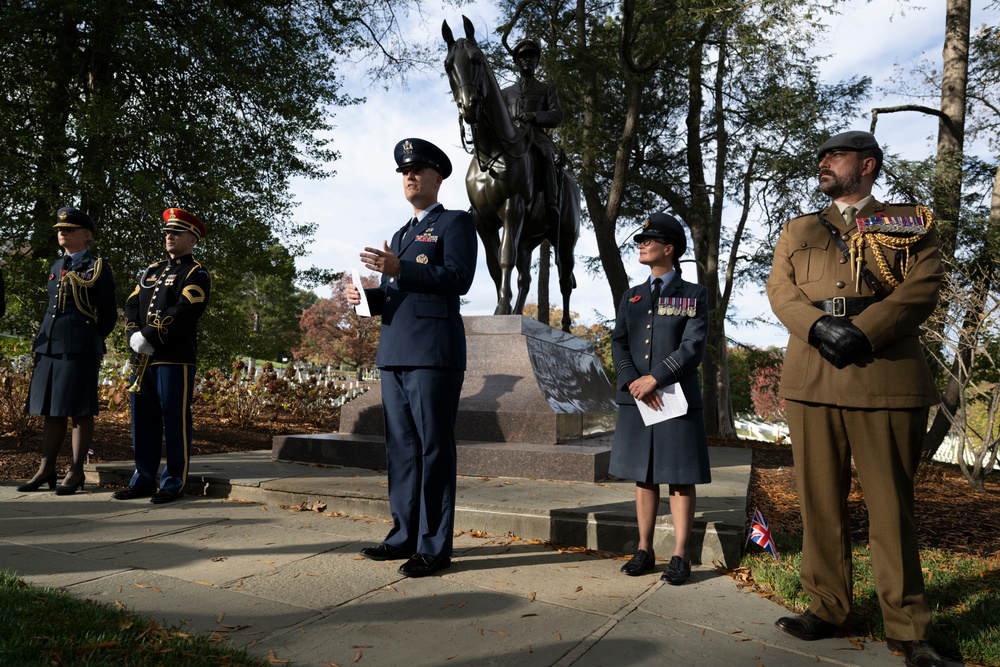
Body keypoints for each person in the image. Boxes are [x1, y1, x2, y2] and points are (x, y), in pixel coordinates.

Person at [766, 131, 945, 667]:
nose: (823, 161)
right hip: (812, 374)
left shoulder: (908, 222)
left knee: (891, 508)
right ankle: (827, 607)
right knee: (819, 499)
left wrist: (863, 332)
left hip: (884, 375)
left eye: (835, 155)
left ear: (867, 165)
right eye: (820, 155)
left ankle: (909, 627)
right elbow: (780, 290)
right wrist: (820, 326)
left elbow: (923, 288)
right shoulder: (798, 229)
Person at [346, 138, 477, 577]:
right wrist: (366, 296)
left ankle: (434, 546)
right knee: (401, 448)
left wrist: (400, 269)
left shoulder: (456, 223)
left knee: (434, 447)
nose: (409, 176)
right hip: (395, 352)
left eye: (418, 169)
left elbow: (458, 278)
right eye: (405, 171)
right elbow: (396, 294)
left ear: (438, 177)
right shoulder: (402, 234)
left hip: (433, 354)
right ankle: (404, 535)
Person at [610, 212, 711, 585]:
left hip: (676, 398)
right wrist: (633, 380)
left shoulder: (693, 294)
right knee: (644, 475)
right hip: (639, 398)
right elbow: (619, 341)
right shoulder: (631, 295)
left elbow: (693, 346)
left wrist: (657, 377)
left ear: (669, 249)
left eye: (649, 240)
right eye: (640, 240)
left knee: (681, 478)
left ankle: (681, 554)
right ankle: (644, 548)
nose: (642, 244)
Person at [113, 208, 211, 505]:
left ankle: (173, 482)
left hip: (174, 358)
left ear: (192, 239)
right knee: (142, 420)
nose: (170, 236)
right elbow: (131, 304)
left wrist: (151, 335)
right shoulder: (151, 271)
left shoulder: (196, 273)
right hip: (141, 358)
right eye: (167, 232)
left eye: (176, 233)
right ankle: (142, 478)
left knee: (174, 419)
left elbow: (185, 310)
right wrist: (133, 335)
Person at [19, 207, 117, 495]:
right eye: (60, 229)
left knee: (79, 410)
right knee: (51, 409)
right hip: (49, 344)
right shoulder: (55, 265)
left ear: (86, 236)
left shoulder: (97, 266)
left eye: (70, 229)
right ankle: (46, 468)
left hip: (79, 347)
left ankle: (75, 471)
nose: (62, 232)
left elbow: (108, 314)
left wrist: (88, 339)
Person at [501, 38, 564, 225]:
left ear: (537, 62)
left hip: (535, 135)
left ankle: (551, 202)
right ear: (517, 62)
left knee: (545, 154)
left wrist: (535, 116)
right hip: (510, 137)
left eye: (532, 57)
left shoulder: (546, 89)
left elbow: (557, 115)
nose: (528, 60)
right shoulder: (506, 92)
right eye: (523, 57)